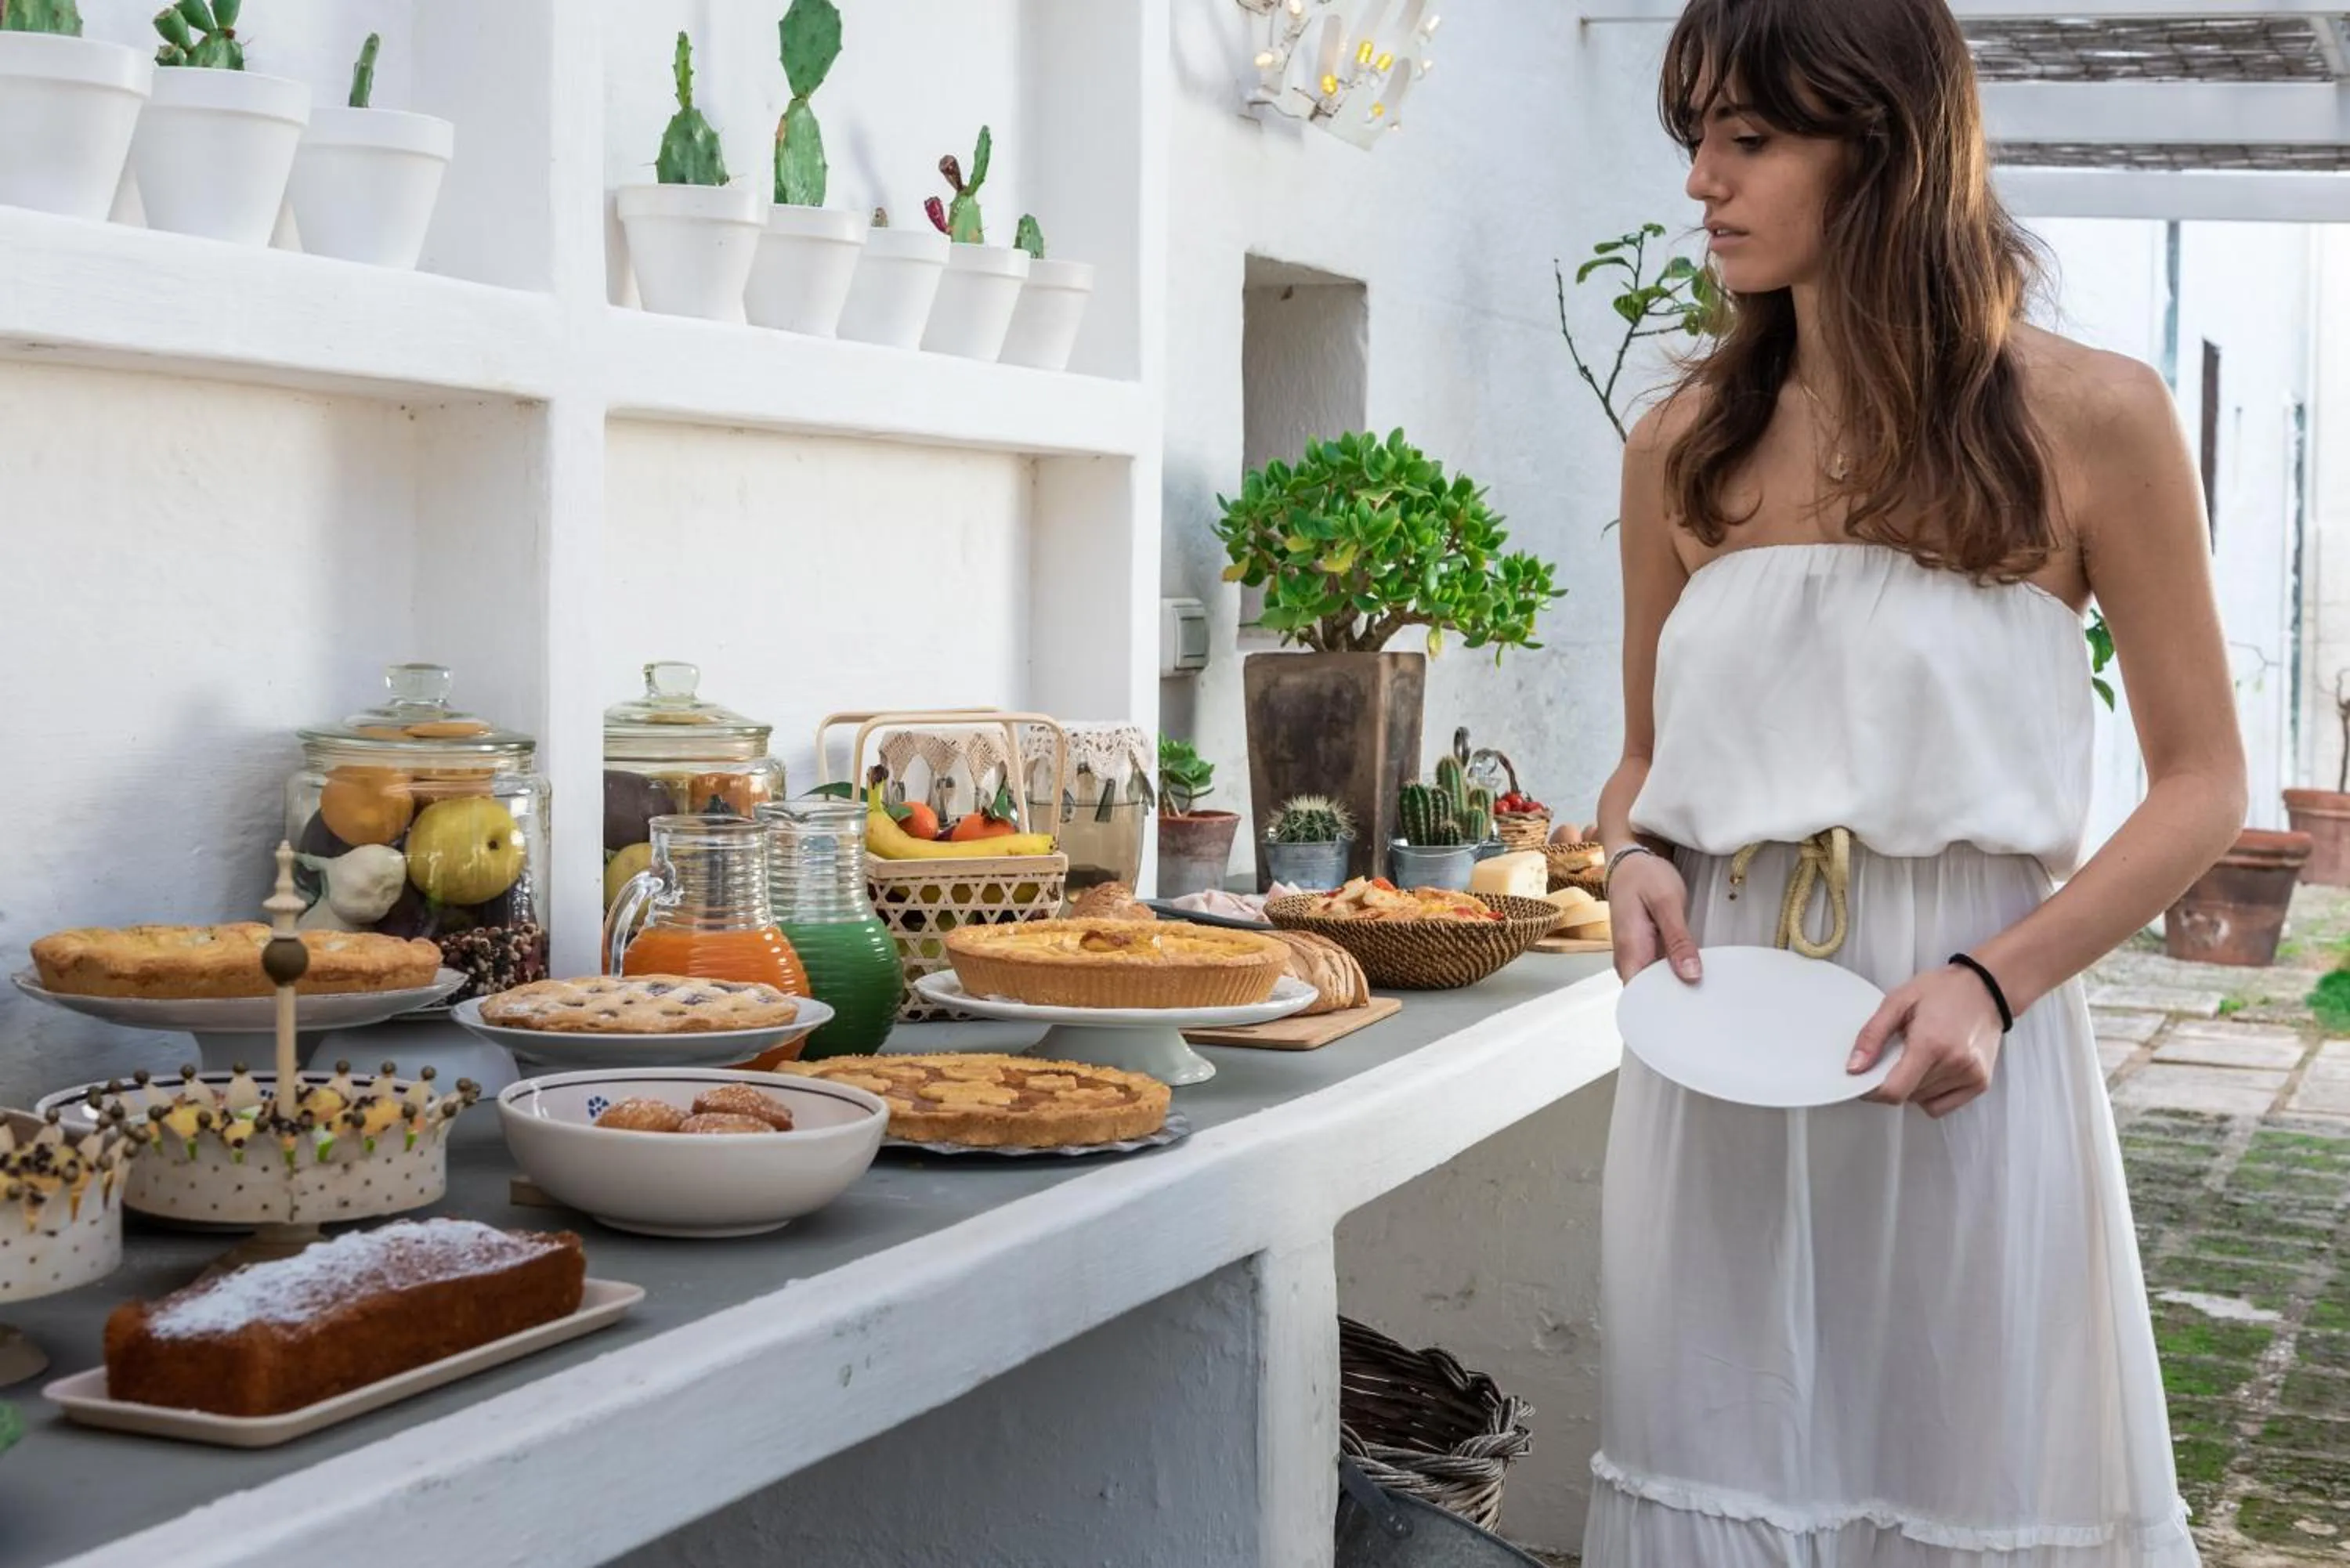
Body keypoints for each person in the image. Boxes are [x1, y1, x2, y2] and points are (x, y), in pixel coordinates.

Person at [1584, 0, 2241, 1563]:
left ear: (1884, 148)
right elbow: (1642, 768)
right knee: (1722, 1478)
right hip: (1719, 1037)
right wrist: (1634, 855)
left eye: (1750, 138)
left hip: (1966, 1052)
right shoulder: (1682, 441)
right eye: (1696, 139)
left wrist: (1992, 983)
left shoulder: (2094, 418)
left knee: (1978, 1482)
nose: (1703, 184)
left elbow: (2205, 781)